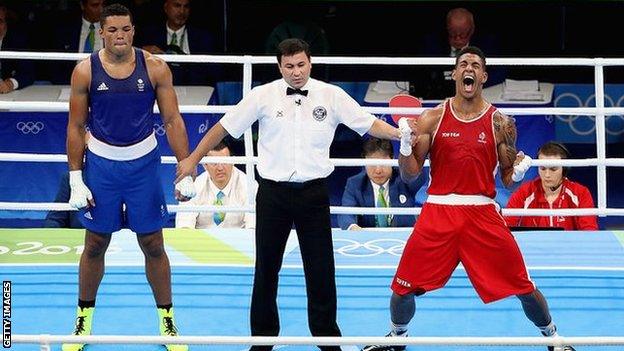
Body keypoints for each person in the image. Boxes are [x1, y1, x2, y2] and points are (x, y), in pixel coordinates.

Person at [175, 38, 403, 351]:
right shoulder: (262, 95)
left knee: (321, 269)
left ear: (310, 62)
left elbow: (369, 123)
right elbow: (222, 128)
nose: (296, 72)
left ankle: (327, 339)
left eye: (301, 65)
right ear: (279, 66)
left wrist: (400, 133)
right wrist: (192, 158)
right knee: (266, 268)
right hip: (273, 194)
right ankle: (262, 341)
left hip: (313, 194)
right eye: (289, 66)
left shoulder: (331, 95)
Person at [362, 46, 576, 351]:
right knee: (401, 288)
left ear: (483, 76)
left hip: (482, 213)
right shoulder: (431, 119)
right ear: (456, 74)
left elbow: (504, 176)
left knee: (524, 286)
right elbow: (410, 176)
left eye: (475, 64)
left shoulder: (500, 122)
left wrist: (515, 174)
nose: (469, 68)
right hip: (438, 211)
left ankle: (555, 338)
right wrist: (406, 149)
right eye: (464, 63)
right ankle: (397, 337)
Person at [63, 4, 196, 351]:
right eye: (112, 30)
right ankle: (83, 321)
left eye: (125, 29)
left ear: (133, 31)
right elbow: (76, 127)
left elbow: (173, 120)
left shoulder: (155, 68)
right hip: (103, 166)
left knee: (153, 243)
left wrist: (185, 168)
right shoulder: (84, 72)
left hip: (143, 166)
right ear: (101, 32)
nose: (119, 36)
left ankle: (167, 322)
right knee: (95, 244)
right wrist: (75, 177)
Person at [413, 7, 504, 99]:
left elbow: (499, 72)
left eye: (462, 34)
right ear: (447, 29)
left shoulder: (487, 45)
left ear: (472, 30)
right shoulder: (431, 44)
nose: (457, 38)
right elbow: (420, 74)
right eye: (453, 33)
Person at [505, 141, 599, 230]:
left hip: (570, 246)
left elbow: (590, 231)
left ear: (564, 169)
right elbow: (506, 226)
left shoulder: (580, 193)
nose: (547, 175)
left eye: (553, 169)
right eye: (542, 168)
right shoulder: (524, 192)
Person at [338, 137, 423, 230]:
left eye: (383, 163)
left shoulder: (406, 179)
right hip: (368, 240)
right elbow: (345, 214)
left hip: (403, 239)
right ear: (364, 161)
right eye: (372, 163)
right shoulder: (355, 183)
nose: (378, 170)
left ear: (392, 159)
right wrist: (353, 227)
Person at [175, 141, 257, 229]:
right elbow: (184, 226)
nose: (220, 168)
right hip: (201, 240)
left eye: (225, 162)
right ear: (205, 166)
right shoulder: (195, 185)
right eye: (214, 163)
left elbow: (253, 227)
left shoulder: (249, 185)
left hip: (239, 240)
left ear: (233, 161)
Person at [138, 0, 220, 85]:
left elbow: (213, 71)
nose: (182, 12)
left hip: (194, 88)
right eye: (177, 6)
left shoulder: (203, 37)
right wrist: (142, 52)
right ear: (166, 8)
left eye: (186, 7)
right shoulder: (149, 35)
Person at [51, 0, 105, 84]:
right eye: (95, 5)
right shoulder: (65, 30)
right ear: (82, 6)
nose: (101, 10)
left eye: (103, 5)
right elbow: (56, 66)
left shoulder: (113, 29)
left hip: (105, 85)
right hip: (70, 85)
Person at [0, 4, 34, 93]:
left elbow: (28, 72)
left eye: (0, 21)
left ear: (6, 23)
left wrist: (10, 84)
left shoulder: (17, 41)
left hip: (8, 97)